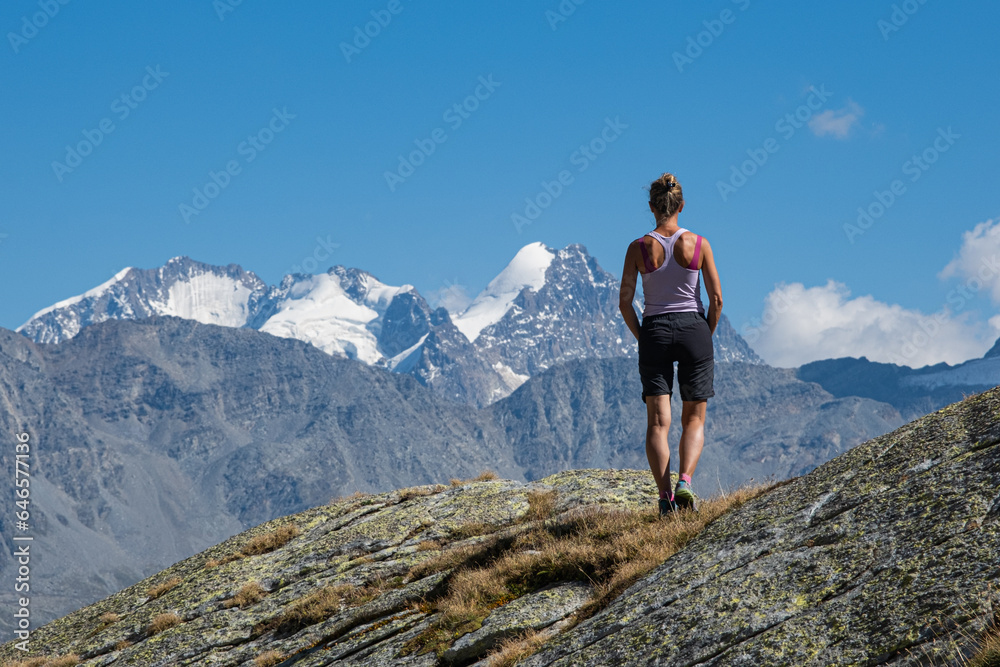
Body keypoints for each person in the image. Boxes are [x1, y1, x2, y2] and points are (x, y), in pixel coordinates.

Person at [618, 173, 722, 516]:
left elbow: (624, 301)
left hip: (655, 330)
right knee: (694, 419)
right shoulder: (699, 244)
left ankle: (665, 498)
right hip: (694, 328)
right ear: (681, 205)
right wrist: (705, 332)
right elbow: (717, 299)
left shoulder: (638, 248)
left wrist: (643, 335)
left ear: (651, 207)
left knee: (658, 423)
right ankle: (685, 482)